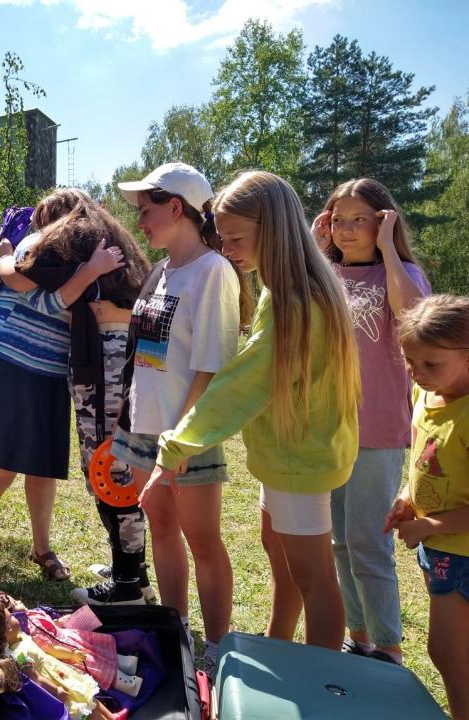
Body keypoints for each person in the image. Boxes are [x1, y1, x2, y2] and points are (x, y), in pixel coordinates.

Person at [143, 170, 360, 651]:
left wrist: (176, 444)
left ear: (275, 231)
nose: (228, 248)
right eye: (223, 237)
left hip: (298, 462)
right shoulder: (284, 290)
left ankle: (320, 681)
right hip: (287, 457)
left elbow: (242, 385)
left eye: (237, 238)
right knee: (283, 563)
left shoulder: (298, 303)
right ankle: (279, 645)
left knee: (314, 578)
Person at [89, 163, 253, 676]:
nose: (138, 221)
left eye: (145, 211)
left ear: (175, 208)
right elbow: (143, 355)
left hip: (188, 432)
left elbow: (210, 366)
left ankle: (219, 648)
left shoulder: (213, 272)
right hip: (144, 426)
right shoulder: (161, 273)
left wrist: (178, 442)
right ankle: (173, 628)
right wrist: (125, 421)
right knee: (159, 526)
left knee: (203, 540)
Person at [0, 188, 125, 580]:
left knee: (43, 465)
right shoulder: (38, 245)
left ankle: (41, 548)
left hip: (47, 366)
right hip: (8, 356)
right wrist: (90, 272)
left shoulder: (86, 253)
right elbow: (50, 303)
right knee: (3, 459)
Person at [311, 178, 431, 665]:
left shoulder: (402, 274)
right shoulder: (327, 273)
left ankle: (389, 647)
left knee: (368, 543)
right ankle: (358, 637)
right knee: (339, 541)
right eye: (338, 219)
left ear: (385, 219)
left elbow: (413, 321)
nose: (346, 229)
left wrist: (388, 250)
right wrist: (315, 251)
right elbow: (286, 310)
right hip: (326, 427)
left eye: (359, 218)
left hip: (376, 428)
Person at [386, 294, 469, 720]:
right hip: (438, 548)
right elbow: (425, 462)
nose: (417, 373)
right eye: (410, 362)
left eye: (431, 364)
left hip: (461, 553)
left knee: (450, 655)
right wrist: (406, 499)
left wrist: (429, 524)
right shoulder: (426, 394)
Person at [0, 592, 127, 720]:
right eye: (11, 618)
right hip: (56, 682)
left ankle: (112, 717)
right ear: (7, 629)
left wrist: (71, 655)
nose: (15, 617)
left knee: (88, 696)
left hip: (64, 674)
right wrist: (57, 691)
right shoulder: (16, 655)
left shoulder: (21, 637)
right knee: (86, 710)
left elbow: (48, 649)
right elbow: (35, 677)